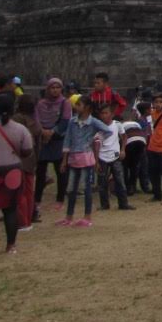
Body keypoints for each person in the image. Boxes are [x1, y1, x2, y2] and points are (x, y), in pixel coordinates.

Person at [59, 95, 116, 226]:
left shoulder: (93, 122)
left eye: (79, 105)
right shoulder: (72, 121)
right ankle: (69, 216)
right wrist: (64, 160)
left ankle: (87, 216)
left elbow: (107, 131)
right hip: (74, 157)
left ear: (87, 108)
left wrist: (95, 139)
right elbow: (67, 140)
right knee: (71, 188)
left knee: (86, 188)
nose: (76, 107)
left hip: (85, 157)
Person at [0, 91, 32, 254]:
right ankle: (11, 245)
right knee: (11, 209)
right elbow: (27, 150)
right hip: (13, 171)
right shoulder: (20, 129)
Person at [33, 77, 71, 213]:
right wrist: (43, 132)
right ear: (48, 89)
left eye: (57, 87)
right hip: (43, 140)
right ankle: (37, 200)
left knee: (60, 171)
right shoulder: (41, 103)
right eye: (52, 88)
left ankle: (60, 199)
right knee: (41, 172)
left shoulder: (64, 103)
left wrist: (52, 132)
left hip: (57, 140)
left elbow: (65, 121)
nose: (55, 90)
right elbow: (36, 119)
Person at [94, 103, 132, 212]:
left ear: (112, 114)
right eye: (102, 113)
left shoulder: (117, 125)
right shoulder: (98, 128)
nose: (104, 115)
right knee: (102, 182)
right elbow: (95, 145)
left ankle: (123, 203)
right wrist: (96, 161)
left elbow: (124, 137)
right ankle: (104, 204)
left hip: (115, 156)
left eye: (106, 113)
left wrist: (123, 149)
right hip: (102, 157)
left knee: (120, 180)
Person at [11, 96, 41, 229]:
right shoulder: (35, 121)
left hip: (20, 158)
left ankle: (22, 221)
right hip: (31, 159)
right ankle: (28, 219)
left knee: (20, 192)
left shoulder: (17, 120)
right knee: (28, 191)